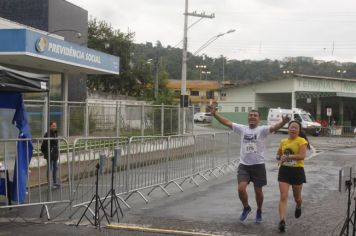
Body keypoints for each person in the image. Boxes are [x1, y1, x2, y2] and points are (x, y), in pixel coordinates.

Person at [207, 104, 290, 223]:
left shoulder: (262, 130)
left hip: (258, 165)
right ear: (248, 118)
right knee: (241, 189)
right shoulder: (242, 129)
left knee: (258, 191)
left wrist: (283, 122)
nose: (252, 117)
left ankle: (259, 210)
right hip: (244, 165)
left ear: (258, 118)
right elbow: (227, 122)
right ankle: (246, 207)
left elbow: (274, 127)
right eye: (250, 115)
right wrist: (214, 114)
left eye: (255, 115)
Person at [276, 120, 310, 232]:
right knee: (283, 196)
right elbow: (278, 154)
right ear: (288, 128)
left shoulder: (302, 141)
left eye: (296, 128)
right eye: (291, 127)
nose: (293, 129)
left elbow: (302, 156)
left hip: (297, 171)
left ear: (299, 130)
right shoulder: (283, 141)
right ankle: (282, 221)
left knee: (297, 197)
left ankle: (299, 205)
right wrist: (279, 158)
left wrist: (288, 157)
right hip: (284, 170)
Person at [41, 121, 60, 188]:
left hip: (55, 154)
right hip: (49, 154)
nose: (55, 127)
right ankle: (49, 183)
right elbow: (43, 146)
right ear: (50, 126)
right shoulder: (47, 134)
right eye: (53, 126)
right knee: (50, 168)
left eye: (55, 126)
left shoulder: (56, 133)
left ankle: (55, 182)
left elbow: (56, 144)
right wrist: (46, 153)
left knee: (55, 168)